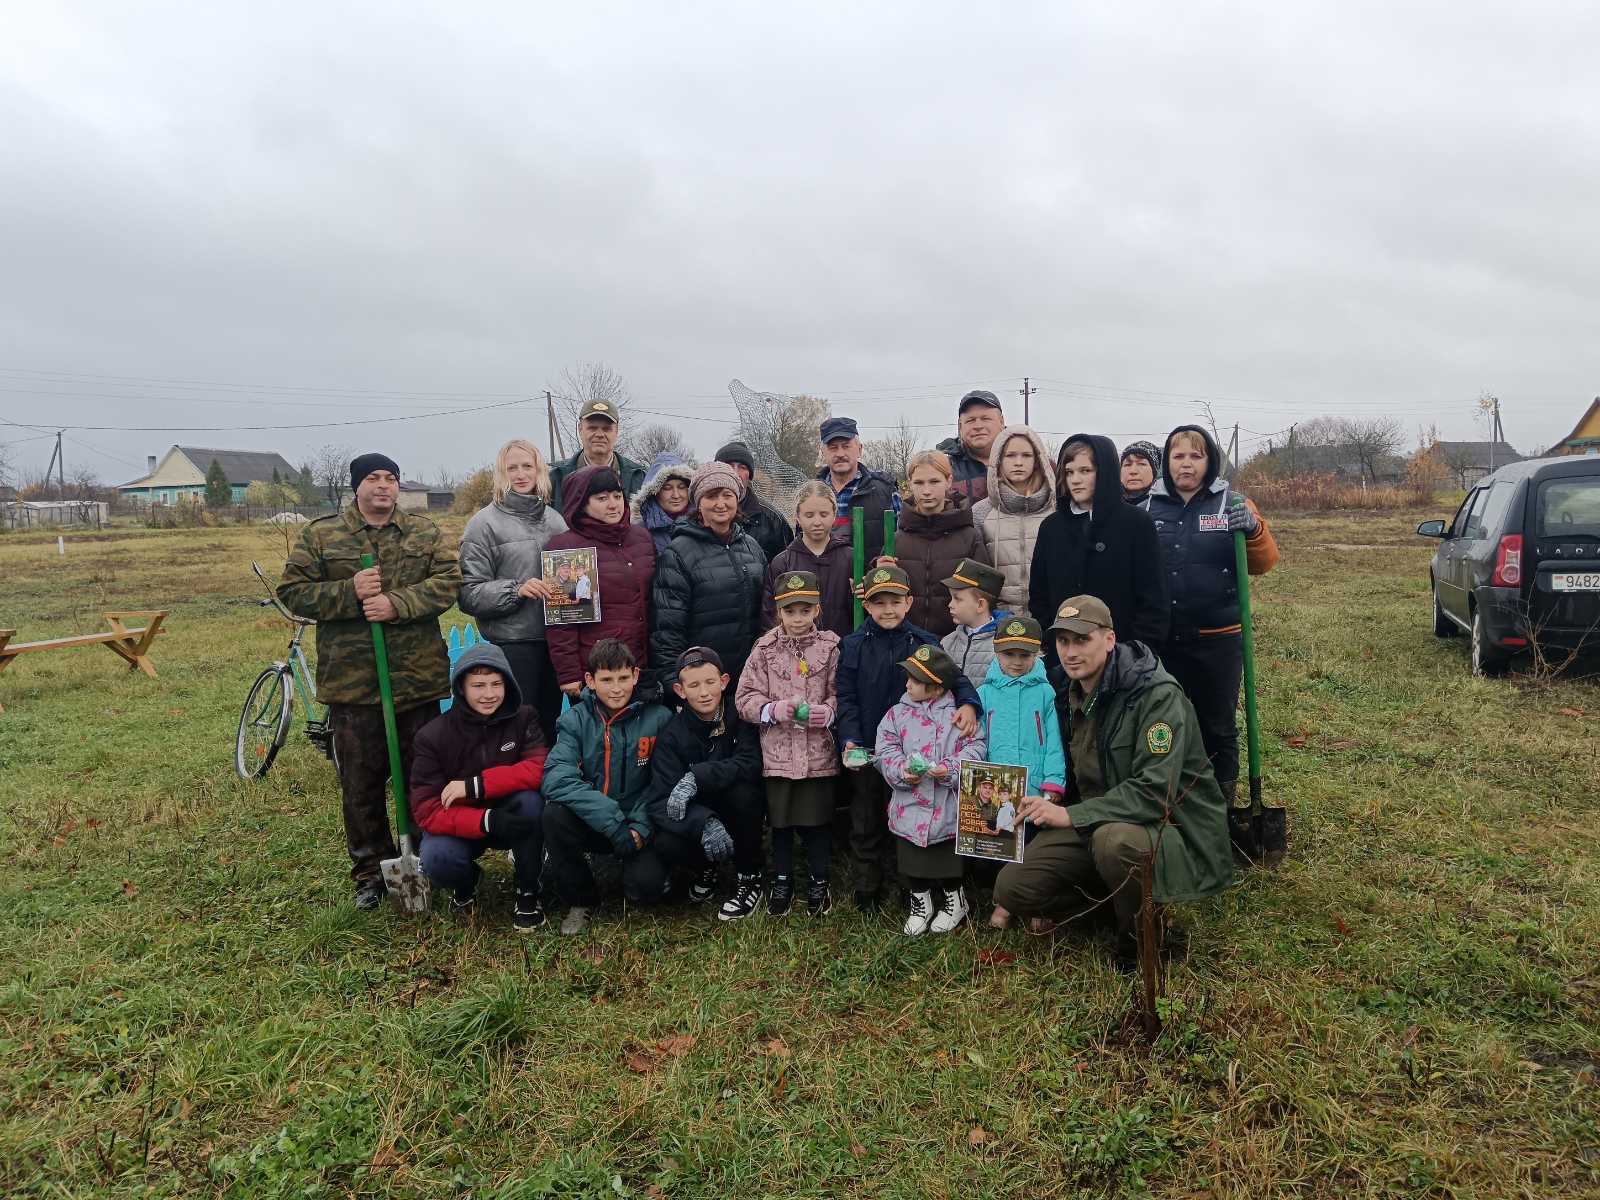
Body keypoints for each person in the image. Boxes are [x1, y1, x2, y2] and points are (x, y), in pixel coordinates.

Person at [994, 596, 1234, 970]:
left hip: (1172, 828)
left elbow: (1156, 792)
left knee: (1114, 842)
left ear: (1109, 640)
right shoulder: (1069, 692)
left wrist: (1071, 816)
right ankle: (1120, 903)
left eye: (1082, 640)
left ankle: (1144, 938)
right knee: (1012, 887)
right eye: (1063, 642)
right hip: (1103, 821)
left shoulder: (1155, 696)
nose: (1070, 652)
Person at [278, 452, 462, 910]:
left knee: (422, 774)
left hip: (416, 679)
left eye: (391, 479)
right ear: (357, 486)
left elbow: (449, 582)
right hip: (354, 682)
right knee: (361, 782)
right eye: (374, 479)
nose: (383, 486)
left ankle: (423, 860)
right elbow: (292, 591)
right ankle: (369, 872)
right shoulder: (323, 535)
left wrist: (397, 604)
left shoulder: (423, 531)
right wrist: (350, 592)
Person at [1140, 425, 1280, 813]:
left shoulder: (1232, 504)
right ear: (1167, 462)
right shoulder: (1147, 509)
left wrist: (1253, 531)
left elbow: (1264, 564)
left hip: (1218, 639)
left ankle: (1220, 809)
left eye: (1196, 456)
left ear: (1210, 461)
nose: (1187, 464)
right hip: (1163, 641)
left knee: (1217, 726)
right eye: (1178, 456)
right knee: (1164, 723)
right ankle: (1170, 803)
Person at [837, 565, 982, 913]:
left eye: (895, 602)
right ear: (867, 606)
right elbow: (846, 697)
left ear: (909, 602)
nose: (888, 610)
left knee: (911, 817)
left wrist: (969, 704)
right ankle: (867, 886)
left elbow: (956, 677)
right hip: (874, 751)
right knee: (867, 816)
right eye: (879, 603)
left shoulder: (925, 642)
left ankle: (912, 885)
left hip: (919, 754)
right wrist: (851, 739)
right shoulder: (854, 645)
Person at [540, 638, 674, 935]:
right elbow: (556, 777)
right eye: (607, 680)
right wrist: (612, 822)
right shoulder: (574, 720)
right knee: (554, 816)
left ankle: (632, 868)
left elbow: (664, 781)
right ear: (590, 681)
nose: (616, 688)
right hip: (598, 821)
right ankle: (581, 899)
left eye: (624, 678)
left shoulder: (660, 718)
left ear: (636, 676)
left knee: (647, 890)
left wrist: (639, 827)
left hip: (638, 824)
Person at [410, 644, 548, 929]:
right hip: (461, 823)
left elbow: (538, 769)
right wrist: (485, 819)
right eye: (479, 685)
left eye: (497, 684)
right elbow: (426, 809)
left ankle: (528, 889)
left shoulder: (524, 718)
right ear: (461, 687)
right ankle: (466, 883)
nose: (489, 694)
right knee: (437, 859)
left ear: (508, 685)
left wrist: (476, 786)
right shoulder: (432, 736)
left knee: (532, 804)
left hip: (511, 815)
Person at [735, 570, 842, 917]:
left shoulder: (831, 647)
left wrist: (827, 713)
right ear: (778, 611)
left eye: (805, 610)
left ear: (817, 610)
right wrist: (771, 709)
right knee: (780, 823)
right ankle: (781, 880)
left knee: (817, 823)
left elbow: (842, 693)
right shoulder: (764, 649)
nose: (798, 619)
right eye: (790, 611)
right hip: (777, 756)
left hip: (817, 756)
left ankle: (819, 880)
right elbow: (744, 697)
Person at [457, 438, 568, 744]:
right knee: (515, 727)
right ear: (501, 474)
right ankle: (512, 788)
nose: (520, 474)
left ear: (539, 471)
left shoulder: (556, 521)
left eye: (527, 466)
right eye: (512, 468)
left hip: (555, 640)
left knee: (549, 723)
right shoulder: (483, 525)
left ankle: (546, 786)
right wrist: (517, 590)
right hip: (514, 643)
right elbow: (468, 593)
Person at [645, 646, 766, 920]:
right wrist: (704, 823)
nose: (704, 692)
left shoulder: (740, 715)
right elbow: (659, 798)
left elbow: (752, 763)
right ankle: (705, 866)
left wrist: (697, 776)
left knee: (744, 793)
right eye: (694, 685)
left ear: (724, 681)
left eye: (710, 682)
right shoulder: (671, 735)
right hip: (700, 815)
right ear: (679, 690)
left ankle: (750, 876)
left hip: (737, 807)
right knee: (665, 840)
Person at [876, 645, 986, 935]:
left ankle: (955, 900)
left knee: (948, 859)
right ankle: (920, 902)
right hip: (908, 805)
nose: (907, 683)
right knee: (911, 859)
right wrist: (900, 769)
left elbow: (976, 747)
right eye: (908, 677)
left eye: (915, 679)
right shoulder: (896, 714)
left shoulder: (959, 716)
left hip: (946, 805)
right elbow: (884, 748)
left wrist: (950, 769)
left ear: (936, 689)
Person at [1028, 434, 1168, 656]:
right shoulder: (1051, 528)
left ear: (1105, 472)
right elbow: (1039, 596)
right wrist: (1054, 643)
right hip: (1065, 659)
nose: (1075, 479)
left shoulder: (1136, 523)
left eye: (1085, 471)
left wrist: (1134, 654)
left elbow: (1153, 600)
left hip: (1123, 660)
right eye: (1069, 472)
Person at [975, 615, 1065, 928]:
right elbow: (978, 739)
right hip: (1000, 784)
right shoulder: (984, 694)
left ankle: (1035, 905)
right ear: (996, 653)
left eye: (1024, 655)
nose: (1016, 662)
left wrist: (1053, 782)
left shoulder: (1045, 693)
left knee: (1034, 849)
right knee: (1003, 845)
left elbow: (1054, 740)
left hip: (1034, 785)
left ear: (1037, 655)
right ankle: (1004, 905)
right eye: (1009, 654)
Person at [650, 461, 767, 693]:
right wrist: (675, 683)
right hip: (703, 683)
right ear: (699, 503)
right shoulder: (678, 553)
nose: (721, 503)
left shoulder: (752, 547)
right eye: (711, 496)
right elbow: (667, 629)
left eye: (727, 495)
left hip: (750, 679)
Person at [544, 466, 656, 702]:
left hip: (639, 665)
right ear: (581, 502)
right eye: (602, 498)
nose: (613, 504)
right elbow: (562, 620)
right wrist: (569, 673)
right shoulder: (566, 549)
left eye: (617, 496)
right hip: (598, 669)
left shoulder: (642, 538)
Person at [883, 449, 990, 639]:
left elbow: (983, 596)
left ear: (949, 481)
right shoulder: (897, 540)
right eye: (919, 483)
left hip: (955, 644)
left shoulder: (969, 537)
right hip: (905, 642)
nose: (926, 491)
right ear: (909, 484)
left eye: (934, 481)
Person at [971, 425, 1055, 618]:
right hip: (998, 624)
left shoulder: (1056, 510)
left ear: (1038, 460)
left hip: (1049, 622)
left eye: (1026, 455)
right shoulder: (980, 513)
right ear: (998, 460)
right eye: (1010, 455)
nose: (1018, 462)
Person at [761, 481, 855, 638]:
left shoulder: (850, 558)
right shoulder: (783, 563)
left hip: (842, 652)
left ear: (834, 515)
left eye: (824, 514)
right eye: (809, 515)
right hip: (796, 655)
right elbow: (769, 617)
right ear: (797, 517)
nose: (817, 522)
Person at [817, 416, 901, 565]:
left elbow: (901, 540)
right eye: (833, 448)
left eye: (846, 446)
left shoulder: (886, 490)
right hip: (825, 583)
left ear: (860, 449)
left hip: (873, 582)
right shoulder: (812, 494)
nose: (840, 454)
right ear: (823, 452)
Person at [549, 398, 647, 510]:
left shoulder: (639, 478)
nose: (600, 434)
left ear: (617, 431)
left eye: (606, 429)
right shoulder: (555, 478)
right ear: (580, 429)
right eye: (592, 428)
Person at [714, 440, 793, 562]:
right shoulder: (703, 514)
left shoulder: (773, 519)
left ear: (749, 475)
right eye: (729, 466)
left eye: (742, 467)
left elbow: (786, 567)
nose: (735, 473)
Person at [941, 557, 1008, 688]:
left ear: (980, 605)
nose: (950, 604)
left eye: (957, 599)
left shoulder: (1004, 646)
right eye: (951, 598)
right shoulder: (947, 643)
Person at [937, 389, 1005, 505]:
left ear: (1002, 422)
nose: (978, 426)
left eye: (985, 419)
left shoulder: (1028, 462)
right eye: (971, 420)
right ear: (960, 426)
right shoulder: (943, 469)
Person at [633, 453, 695, 554]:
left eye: (681, 487)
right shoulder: (639, 533)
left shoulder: (704, 523)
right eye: (667, 488)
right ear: (654, 492)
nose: (676, 495)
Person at [1119, 440, 1162, 504]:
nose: (1133, 471)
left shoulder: (1166, 506)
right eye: (1127, 465)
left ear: (1154, 472)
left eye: (1141, 464)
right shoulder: (1105, 503)